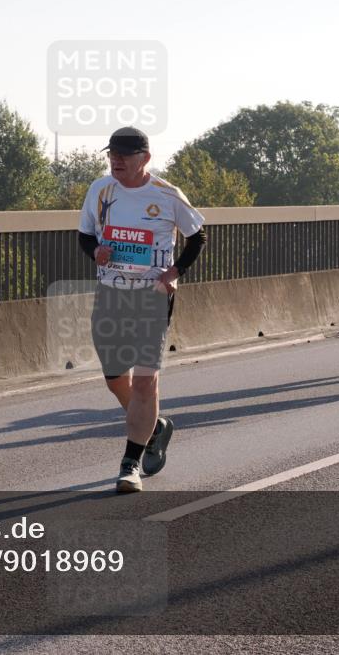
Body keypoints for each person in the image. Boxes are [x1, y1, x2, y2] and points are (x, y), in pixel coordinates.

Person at [78, 127, 206, 493]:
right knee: (115, 377)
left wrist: (174, 272)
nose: (116, 161)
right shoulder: (100, 190)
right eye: (112, 155)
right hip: (111, 293)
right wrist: (95, 252)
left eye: (124, 155)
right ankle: (154, 428)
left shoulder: (167, 195)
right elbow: (86, 234)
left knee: (146, 379)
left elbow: (198, 235)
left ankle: (130, 464)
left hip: (152, 295)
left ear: (145, 158)